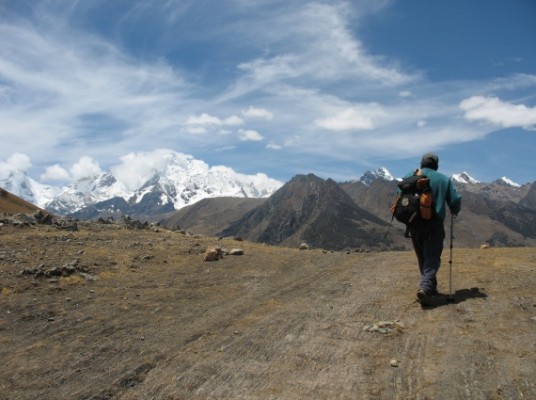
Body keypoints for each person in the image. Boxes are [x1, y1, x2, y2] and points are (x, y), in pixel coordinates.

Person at [406, 152, 462, 304]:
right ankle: (425, 287)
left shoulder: (410, 175)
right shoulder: (443, 179)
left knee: (422, 257)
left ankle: (431, 287)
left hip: (414, 223)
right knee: (432, 256)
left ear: (421, 163)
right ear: (436, 165)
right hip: (434, 223)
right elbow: (455, 199)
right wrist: (454, 210)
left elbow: (400, 193)